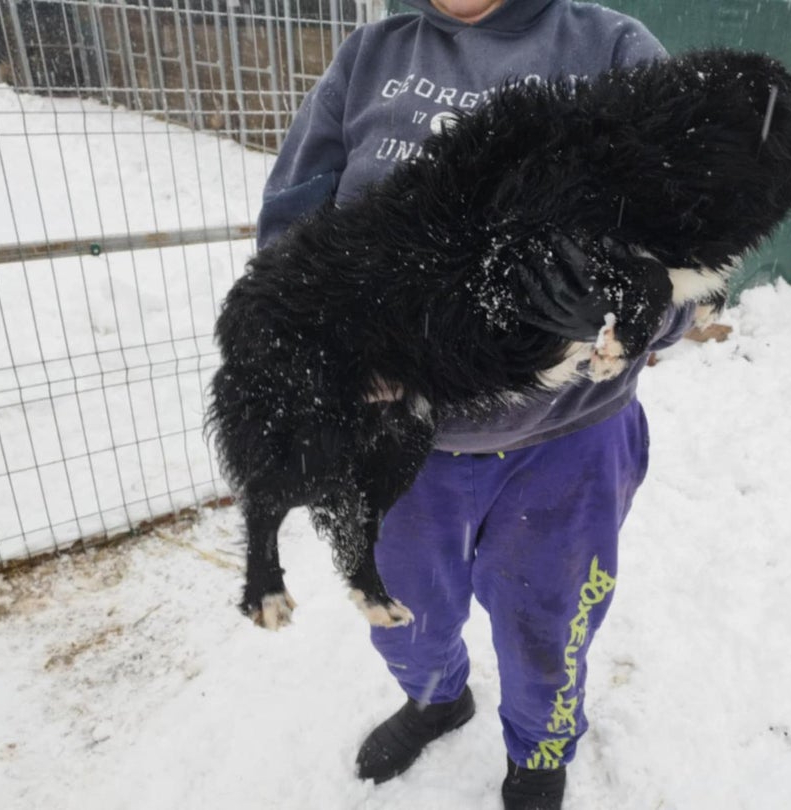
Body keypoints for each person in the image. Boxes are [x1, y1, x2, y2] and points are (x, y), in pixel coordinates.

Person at [255, 1, 695, 807]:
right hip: (396, 436)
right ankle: (438, 698)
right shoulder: (372, 54)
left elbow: (694, 240)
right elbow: (292, 223)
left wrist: (626, 316)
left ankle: (540, 750)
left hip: (567, 441)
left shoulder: (611, 50)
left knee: (549, 623)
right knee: (402, 608)